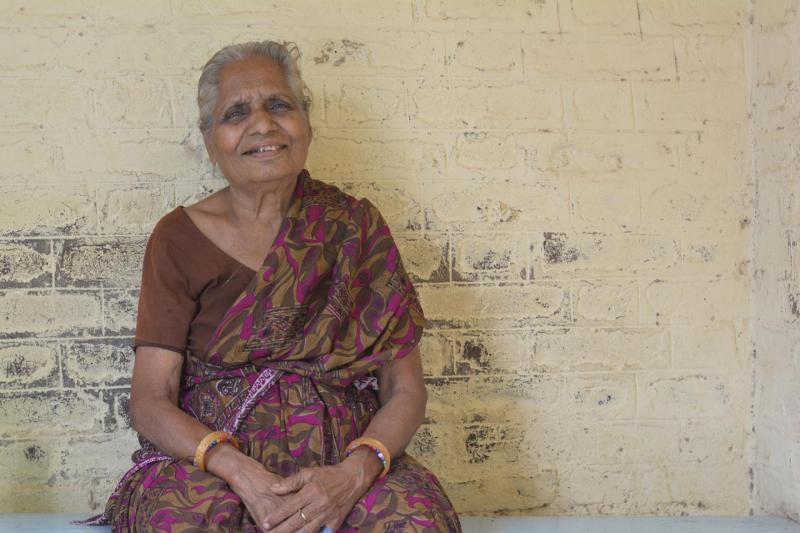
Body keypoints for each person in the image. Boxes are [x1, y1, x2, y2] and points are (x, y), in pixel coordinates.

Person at [86, 40, 461, 532]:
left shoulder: (355, 227)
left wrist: (354, 474)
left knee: (414, 523)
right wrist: (238, 470)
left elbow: (405, 389)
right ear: (210, 141)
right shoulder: (178, 238)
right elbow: (151, 398)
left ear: (307, 125)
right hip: (216, 464)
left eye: (279, 105)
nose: (262, 124)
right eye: (236, 113)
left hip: (346, 462)